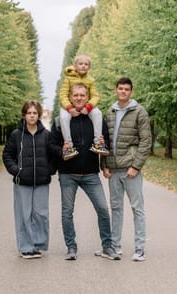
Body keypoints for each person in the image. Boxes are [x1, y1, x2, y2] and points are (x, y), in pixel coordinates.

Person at [51, 84, 120, 261]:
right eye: (76, 95)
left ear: (88, 97)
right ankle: (71, 247)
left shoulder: (96, 118)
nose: (79, 98)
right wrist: (62, 150)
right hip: (68, 174)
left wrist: (104, 164)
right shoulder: (61, 120)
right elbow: (51, 144)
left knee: (103, 210)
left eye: (83, 95)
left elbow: (104, 146)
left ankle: (107, 246)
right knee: (67, 212)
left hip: (91, 174)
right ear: (70, 97)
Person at [102, 77, 152, 262]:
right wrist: (104, 164)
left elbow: (146, 141)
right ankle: (115, 246)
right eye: (120, 88)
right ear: (116, 90)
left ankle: (140, 248)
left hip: (131, 170)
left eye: (127, 89)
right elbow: (104, 141)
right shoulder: (110, 112)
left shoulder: (139, 112)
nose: (123, 91)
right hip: (113, 170)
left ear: (131, 92)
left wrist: (135, 166)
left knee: (137, 208)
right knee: (116, 208)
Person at [2, 100, 57, 259]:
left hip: (41, 181)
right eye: (29, 113)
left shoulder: (46, 135)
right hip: (22, 182)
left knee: (41, 214)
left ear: (39, 115)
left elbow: (54, 156)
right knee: (24, 214)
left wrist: (49, 171)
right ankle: (26, 247)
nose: (32, 116)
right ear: (24, 115)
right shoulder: (16, 135)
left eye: (34, 113)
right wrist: (16, 171)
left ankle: (39, 245)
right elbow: (7, 155)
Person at [59, 54, 109, 160]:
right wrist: (69, 108)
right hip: (69, 106)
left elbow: (95, 96)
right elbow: (63, 95)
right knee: (63, 118)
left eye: (86, 64)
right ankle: (69, 146)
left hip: (86, 105)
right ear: (75, 66)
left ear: (89, 67)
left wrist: (88, 107)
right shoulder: (68, 79)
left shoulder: (91, 80)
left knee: (97, 113)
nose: (83, 66)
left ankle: (98, 143)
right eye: (80, 64)